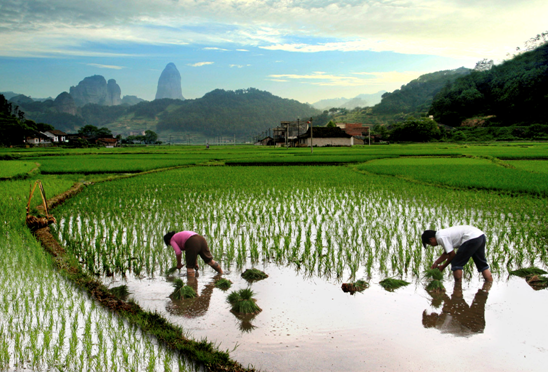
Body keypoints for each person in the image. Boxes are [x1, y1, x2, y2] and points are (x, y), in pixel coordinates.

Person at [421, 225, 493, 282]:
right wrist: (436, 263)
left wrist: (443, 266)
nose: (432, 245)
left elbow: (452, 255)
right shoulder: (442, 234)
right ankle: (489, 282)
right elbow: (446, 253)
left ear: (431, 239)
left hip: (471, 238)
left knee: (456, 264)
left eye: (430, 243)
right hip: (480, 236)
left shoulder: (440, 237)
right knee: (481, 264)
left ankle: (457, 289)